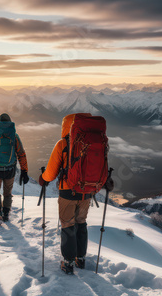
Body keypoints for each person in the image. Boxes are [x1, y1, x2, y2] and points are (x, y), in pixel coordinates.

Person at [39, 113, 114, 274]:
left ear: (66, 126)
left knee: (67, 225)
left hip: (68, 191)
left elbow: (51, 172)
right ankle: (80, 259)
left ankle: (68, 262)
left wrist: (43, 178)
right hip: (87, 191)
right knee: (81, 223)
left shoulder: (63, 144)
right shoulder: (96, 140)